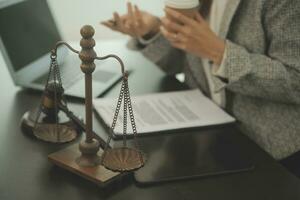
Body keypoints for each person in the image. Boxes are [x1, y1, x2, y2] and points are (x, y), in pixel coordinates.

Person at [102, 0, 300, 177]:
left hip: (269, 156)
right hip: (204, 138)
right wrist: (153, 30)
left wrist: (219, 53)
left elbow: (296, 79)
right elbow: (177, 62)